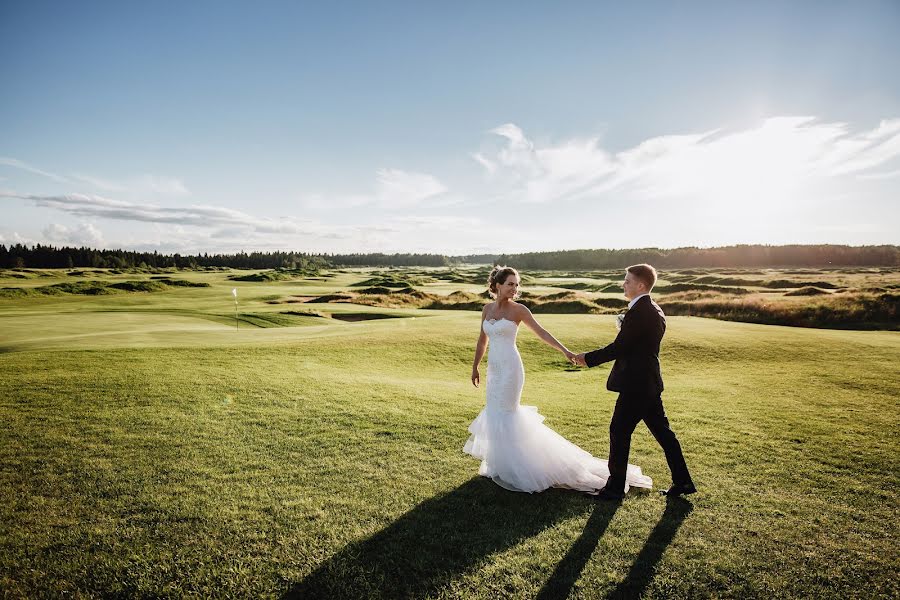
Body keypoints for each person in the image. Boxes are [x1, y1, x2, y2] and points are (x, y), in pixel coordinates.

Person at [464, 265, 652, 494]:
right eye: (510, 284)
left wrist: (565, 351)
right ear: (497, 286)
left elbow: (542, 333)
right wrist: (475, 366)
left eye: (516, 284)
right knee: (494, 412)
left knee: (507, 413)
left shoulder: (519, 310)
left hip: (511, 369)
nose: (514, 288)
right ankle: (500, 466)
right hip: (494, 369)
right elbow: (482, 340)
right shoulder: (486, 309)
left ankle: (521, 468)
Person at [574, 264, 696, 500]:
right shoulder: (653, 309)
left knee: (619, 431)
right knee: (663, 434)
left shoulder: (641, 312)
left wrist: (587, 359)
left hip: (636, 385)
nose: (624, 284)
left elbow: (619, 347)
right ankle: (683, 481)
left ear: (641, 285)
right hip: (648, 383)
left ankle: (615, 488)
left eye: (628, 281)